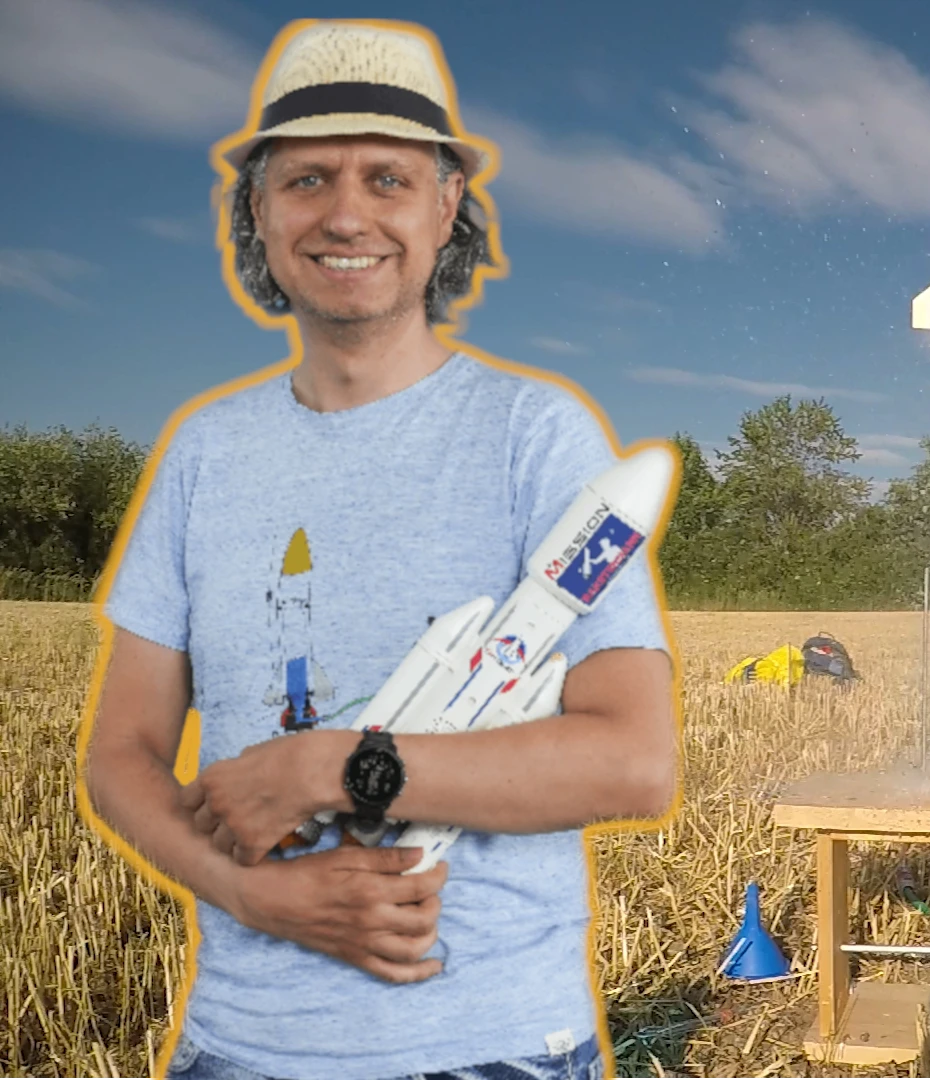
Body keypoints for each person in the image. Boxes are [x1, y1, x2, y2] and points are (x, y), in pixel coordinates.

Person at [78, 21, 676, 1080]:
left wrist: (335, 767)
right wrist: (257, 896)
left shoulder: (537, 436)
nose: (347, 213)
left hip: (493, 1052)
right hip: (238, 1050)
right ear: (258, 212)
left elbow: (634, 760)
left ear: (446, 207)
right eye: (307, 178)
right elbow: (121, 755)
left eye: (387, 177)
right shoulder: (202, 452)